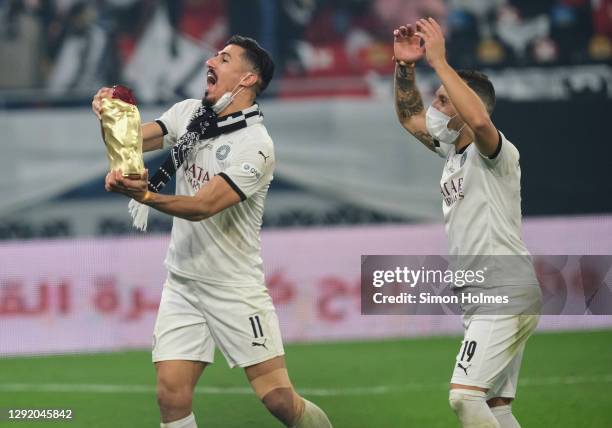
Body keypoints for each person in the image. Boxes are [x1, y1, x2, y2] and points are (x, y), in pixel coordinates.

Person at [92, 35, 332, 428]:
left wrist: (147, 196)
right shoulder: (190, 113)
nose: (211, 61)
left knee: (279, 401)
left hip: (233, 287)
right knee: (171, 396)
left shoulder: (255, 145)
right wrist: (109, 115)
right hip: (184, 282)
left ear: (247, 79)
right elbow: (132, 140)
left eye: (224, 58)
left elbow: (204, 206)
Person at [393, 19, 541, 428]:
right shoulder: (453, 155)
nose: (434, 107)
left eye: (443, 100)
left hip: (504, 288)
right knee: (497, 408)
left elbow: (479, 124)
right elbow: (409, 118)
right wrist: (406, 67)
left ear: (465, 105)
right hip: (481, 294)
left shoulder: (495, 153)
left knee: (463, 397)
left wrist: (440, 62)